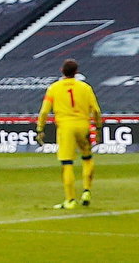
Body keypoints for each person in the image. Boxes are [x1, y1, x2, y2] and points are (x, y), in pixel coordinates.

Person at [37, 59, 102, 209]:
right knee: (87, 158)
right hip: (83, 125)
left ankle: (70, 200)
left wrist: (40, 129)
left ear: (62, 71)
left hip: (65, 127)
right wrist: (98, 128)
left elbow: (44, 111)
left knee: (67, 164)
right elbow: (96, 110)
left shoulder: (54, 88)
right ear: (76, 72)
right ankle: (86, 190)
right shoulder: (85, 87)